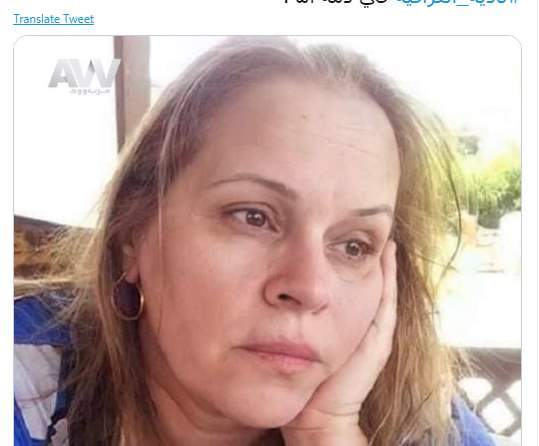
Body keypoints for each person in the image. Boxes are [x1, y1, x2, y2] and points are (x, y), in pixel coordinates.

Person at [15, 38, 496, 445]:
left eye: (354, 246)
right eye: (253, 217)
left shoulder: (426, 418)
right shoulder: (23, 381)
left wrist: (329, 434)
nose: (309, 288)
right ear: (132, 232)